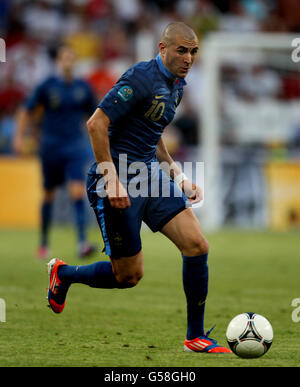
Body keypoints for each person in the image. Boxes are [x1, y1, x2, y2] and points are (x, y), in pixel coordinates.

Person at [46, 23, 232, 354]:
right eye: (182, 50)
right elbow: (96, 123)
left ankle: (195, 336)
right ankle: (64, 273)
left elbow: (152, 130)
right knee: (128, 276)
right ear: (163, 48)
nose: (189, 58)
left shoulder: (177, 84)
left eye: (193, 52)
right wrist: (112, 178)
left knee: (197, 245)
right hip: (117, 179)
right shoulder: (139, 78)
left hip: (149, 175)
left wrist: (178, 176)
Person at [13, 45, 97, 259]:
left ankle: (82, 243)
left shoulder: (83, 88)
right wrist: (19, 137)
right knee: (49, 193)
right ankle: (43, 243)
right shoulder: (47, 86)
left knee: (77, 191)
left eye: (71, 57)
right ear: (58, 61)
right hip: (50, 146)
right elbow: (25, 111)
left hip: (74, 146)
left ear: (75, 61)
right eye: (64, 57)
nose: (68, 61)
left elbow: (96, 115)